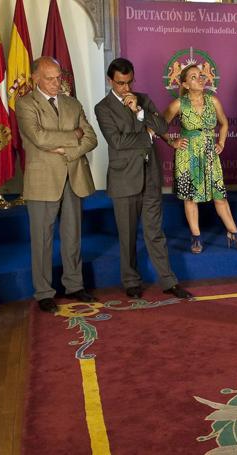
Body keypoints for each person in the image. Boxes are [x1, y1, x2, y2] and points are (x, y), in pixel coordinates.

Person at [94, 57, 192, 300]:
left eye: (128, 82)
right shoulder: (102, 108)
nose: (125, 88)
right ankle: (131, 281)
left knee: (155, 232)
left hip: (150, 177)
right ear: (110, 81)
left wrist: (138, 111)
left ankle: (168, 281)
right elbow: (116, 141)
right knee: (127, 235)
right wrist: (146, 137)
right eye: (120, 83)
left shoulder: (144, 100)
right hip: (124, 179)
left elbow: (161, 127)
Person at [16, 56, 98, 313]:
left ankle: (74, 285)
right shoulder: (25, 104)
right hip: (42, 180)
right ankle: (44, 292)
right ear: (36, 78)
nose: (55, 83)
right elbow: (40, 138)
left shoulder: (73, 103)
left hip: (74, 177)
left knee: (72, 236)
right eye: (49, 78)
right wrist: (74, 136)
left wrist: (68, 150)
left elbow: (92, 137)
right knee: (42, 238)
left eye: (58, 77)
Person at [162, 64, 237, 254]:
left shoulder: (213, 101)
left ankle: (233, 233)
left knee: (220, 196)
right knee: (190, 197)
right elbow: (160, 126)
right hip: (187, 155)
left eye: (201, 75)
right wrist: (173, 142)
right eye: (193, 77)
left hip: (209, 153)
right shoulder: (178, 104)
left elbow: (224, 123)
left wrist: (222, 143)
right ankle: (196, 237)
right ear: (185, 83)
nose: (200, 79)